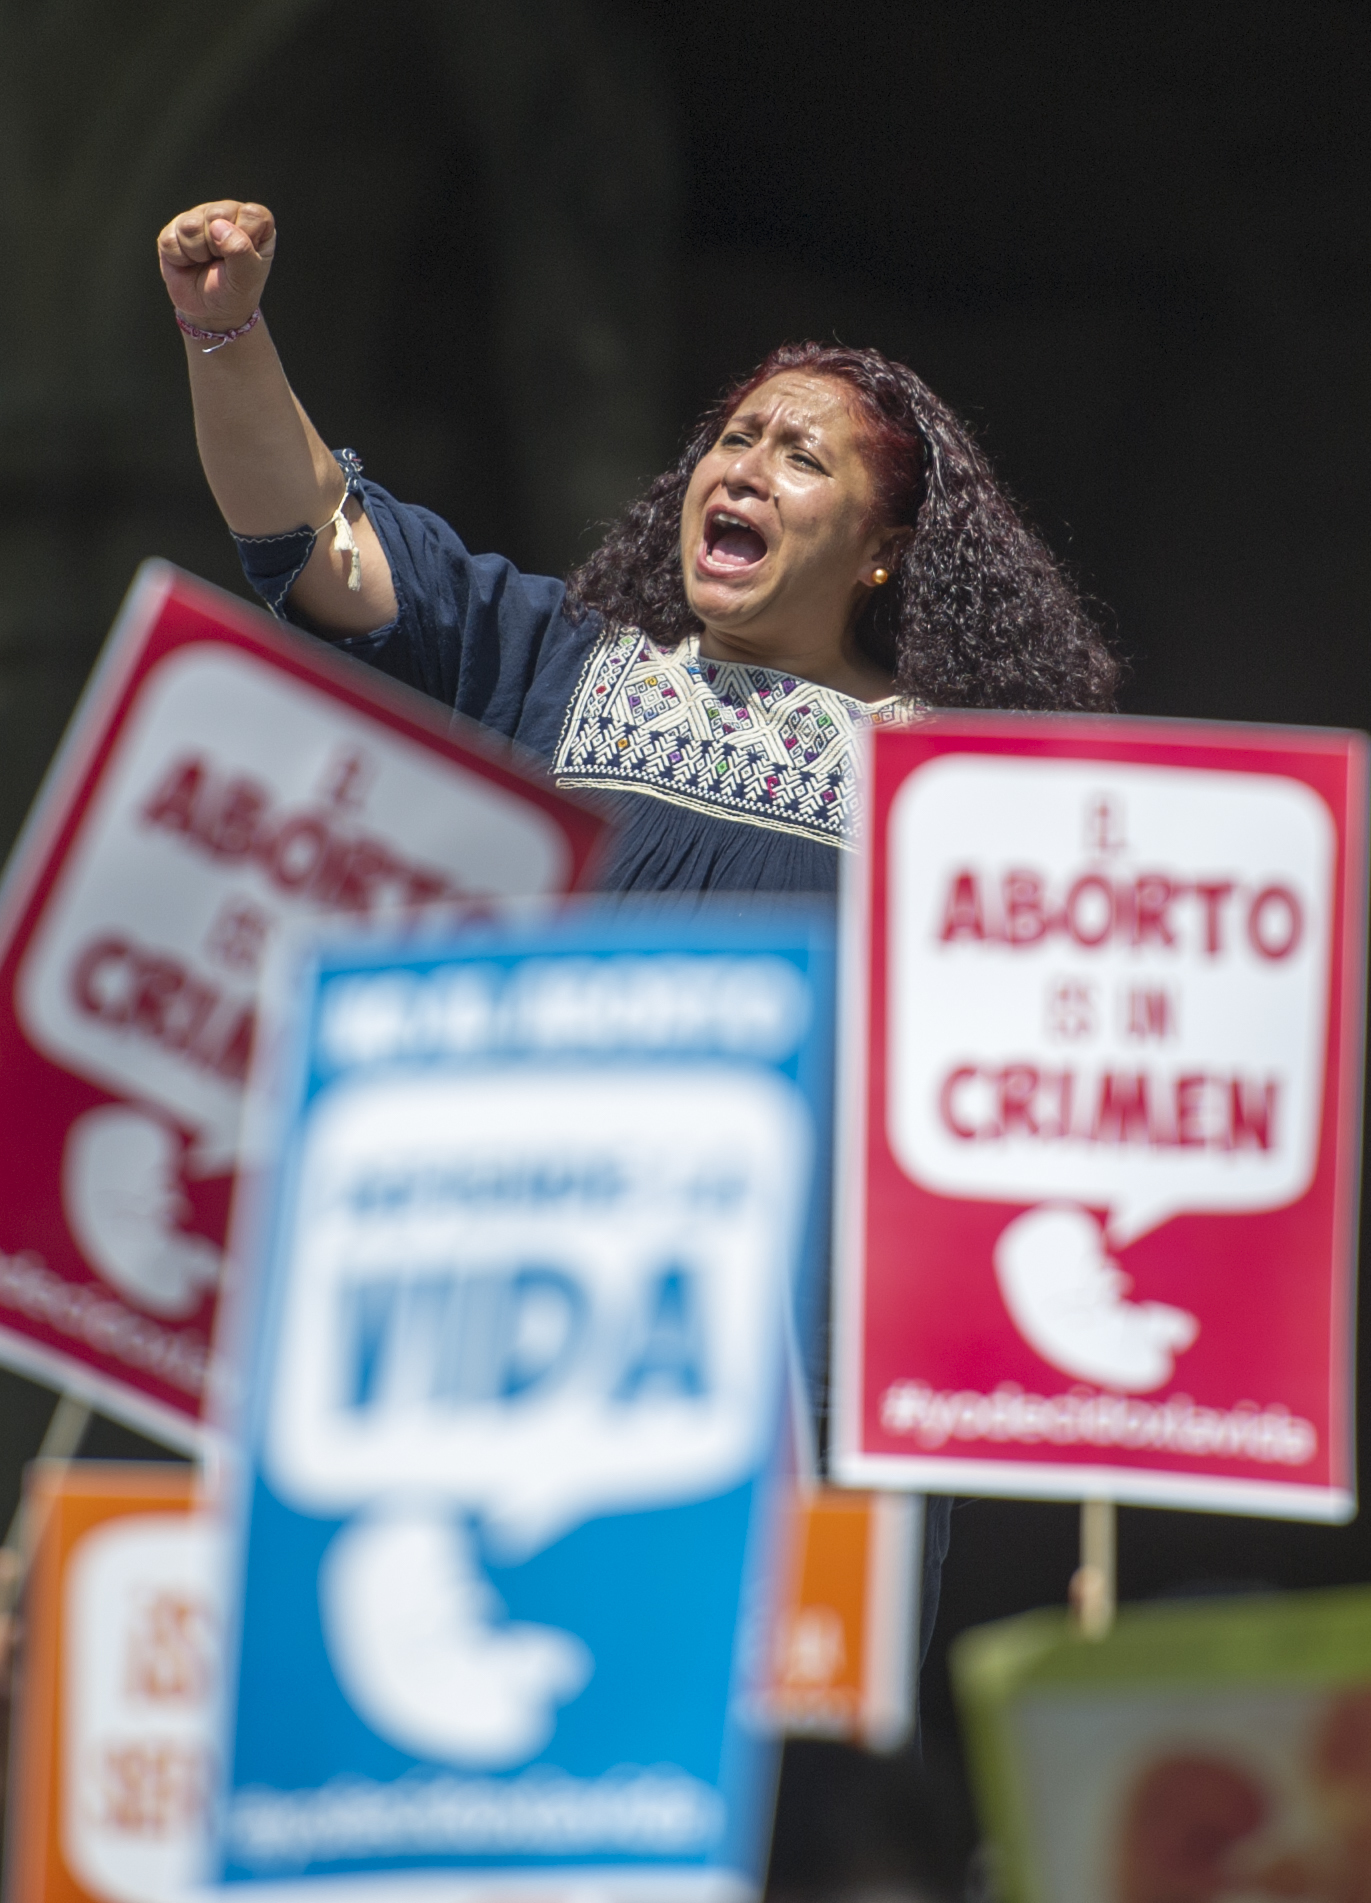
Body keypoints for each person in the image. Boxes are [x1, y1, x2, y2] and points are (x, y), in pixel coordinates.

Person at [157, 196, 1119, 1709]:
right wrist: (224, 328)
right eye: (732, 440)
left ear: (885, 551)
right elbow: (315, 539)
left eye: (802, 456)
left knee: (757, 1758)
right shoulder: (552, 665)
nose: (742, 467)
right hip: (529, 1316)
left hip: (793, 1364)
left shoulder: (958, 795)